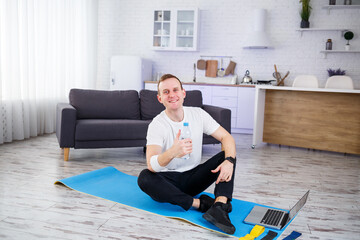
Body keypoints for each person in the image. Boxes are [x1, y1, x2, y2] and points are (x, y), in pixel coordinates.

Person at [137, 74, 237, 234]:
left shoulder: (198, 114)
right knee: (144, 177)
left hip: (193, 177)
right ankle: (200, 204)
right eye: (166, 92)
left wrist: (229, 161)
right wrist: (171, 152)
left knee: (227, 156)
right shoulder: (157, 125)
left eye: (175, 90)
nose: (172, 95)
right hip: (167, 183)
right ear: (159, 98)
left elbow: (227, 137)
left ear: (183, 93)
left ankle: (219, 207)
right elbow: (151, 165)